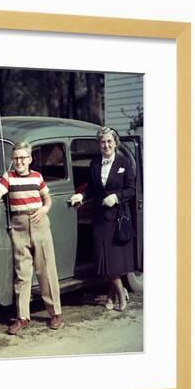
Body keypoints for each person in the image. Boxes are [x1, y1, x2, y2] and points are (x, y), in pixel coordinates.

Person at [0, 142, 64, 334]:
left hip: (39, 223)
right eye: (16, 158)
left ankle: (55, 314)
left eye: (23, 158)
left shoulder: (37, 177)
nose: (19, 161)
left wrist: (44, 209)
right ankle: (22, 317)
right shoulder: (8, 177)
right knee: (22, 274)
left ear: (30, 159)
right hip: (19, 227)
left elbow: (47, 198)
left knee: (46, 270)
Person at [69, 126, 136, 312]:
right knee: (104, 260)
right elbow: (91, 188)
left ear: (115, 143)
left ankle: (114, 295)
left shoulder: (124, 162)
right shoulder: (95, 163)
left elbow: (131, 189)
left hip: (118, 218)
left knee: (114, 261)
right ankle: (119, 292)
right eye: (102, 142)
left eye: (109, 141)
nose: (105, 145)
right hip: (99, 219)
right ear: (99, 144)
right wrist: (81, 197)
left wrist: (116, 197)